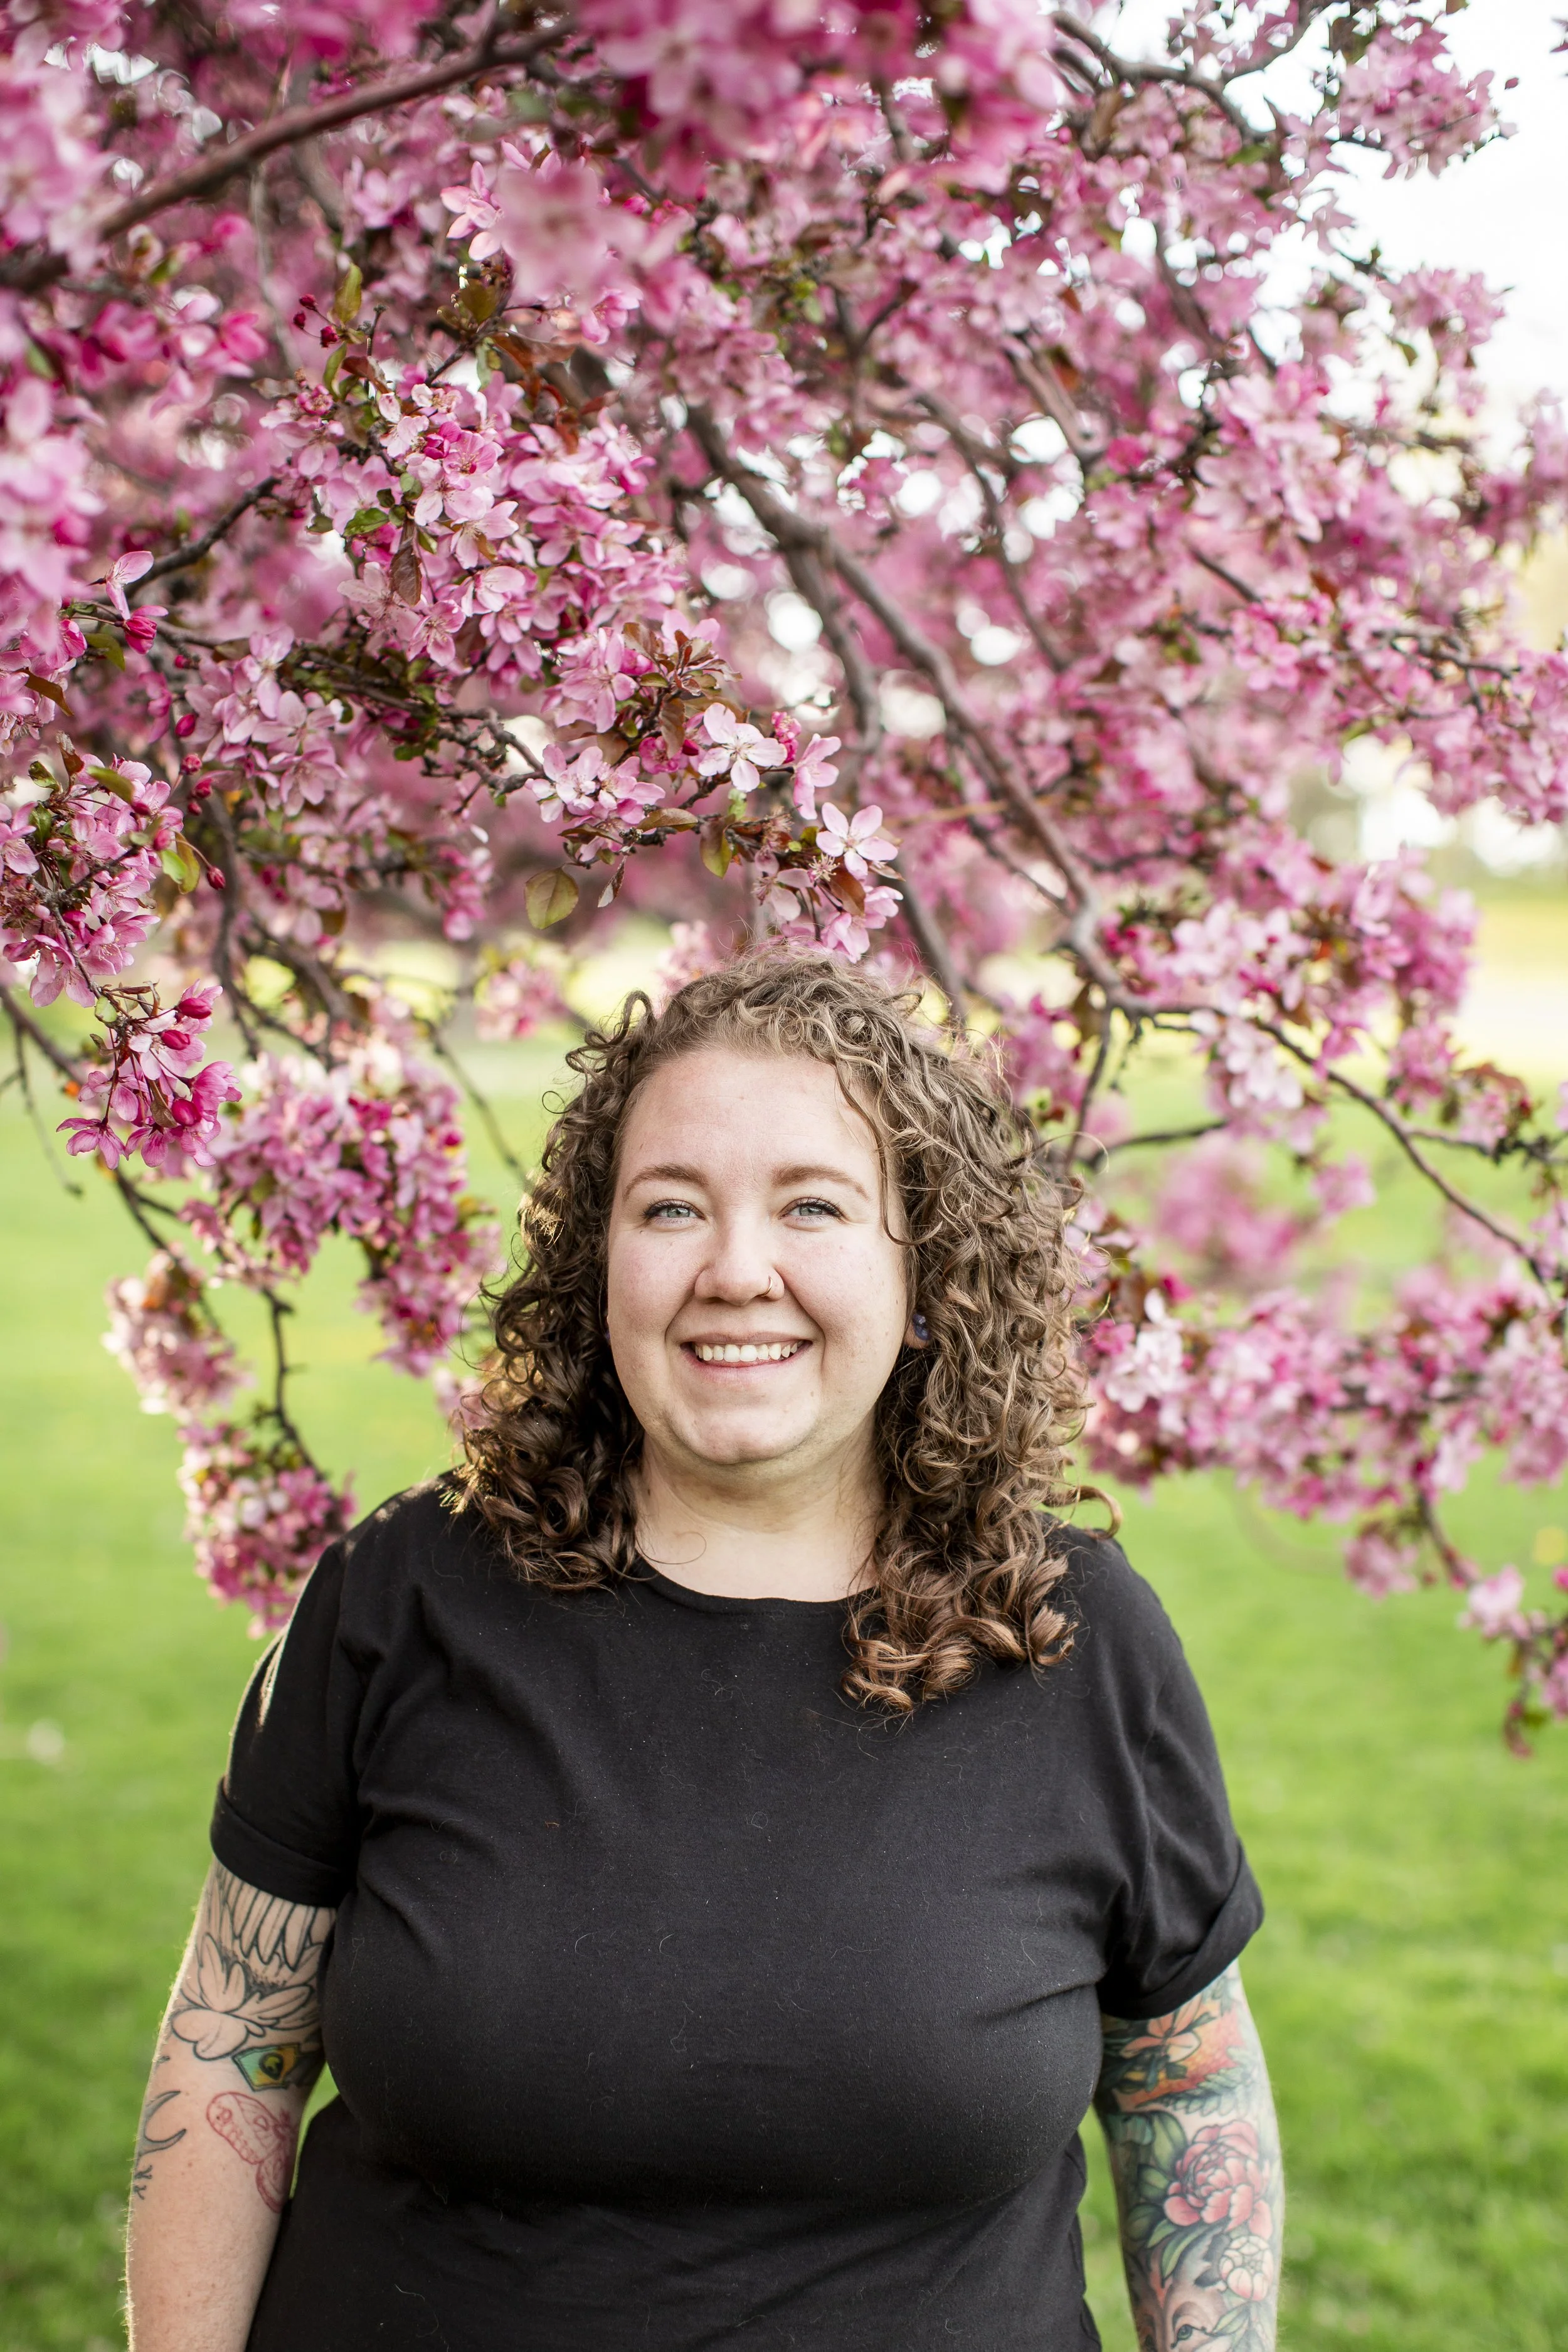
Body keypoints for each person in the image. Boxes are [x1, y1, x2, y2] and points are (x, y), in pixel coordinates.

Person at [125, 953, 1281, 2352]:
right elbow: (229, 2049)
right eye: (671, 1207)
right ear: (595, 1264)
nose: (736, 1271)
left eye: (812, 1206)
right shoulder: (402, 1596)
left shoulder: (1069, 1635)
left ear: (922, 1269)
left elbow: (1184, 2094)